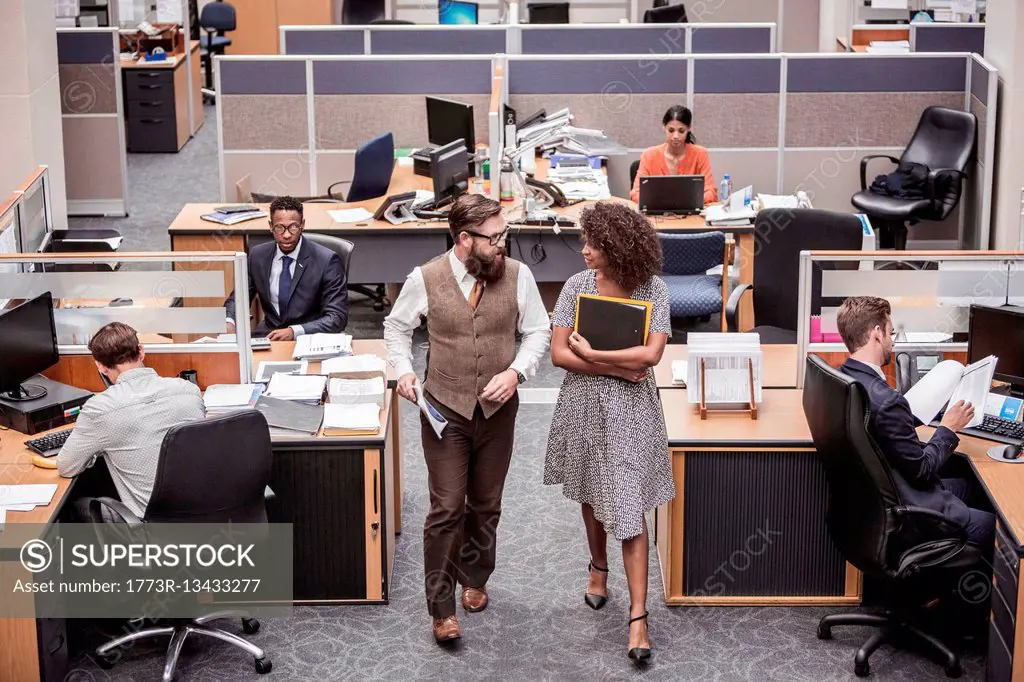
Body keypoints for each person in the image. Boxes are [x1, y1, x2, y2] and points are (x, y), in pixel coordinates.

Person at [383, 194, 551, 645]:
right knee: (446, 508)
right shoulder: (426, 278)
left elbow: (538, 329)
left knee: (485, 504)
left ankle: (475, 577)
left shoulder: (518, 275)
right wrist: (402, 371)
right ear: (464, 240)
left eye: (503, 235)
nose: (502, 245)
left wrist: (516, 372)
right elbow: (397, 327)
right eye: (494, 238)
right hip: (443, 409)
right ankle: (441, 609)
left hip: (497, 412)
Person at [544, 202, 674, 664]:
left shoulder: (651, 289)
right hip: (584, 405)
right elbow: (560, 354)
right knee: (591, 490)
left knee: (628, 502)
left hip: (632, 412)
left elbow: (653, 355)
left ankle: (638, 616)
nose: (584, 251)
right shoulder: (576, 287)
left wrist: (594, 353)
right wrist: (617, 365)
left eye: (594, 245)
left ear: (617, 248)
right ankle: (598, 566)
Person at [836, 296, 995, 549]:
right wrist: (948, 427)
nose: (892, 342)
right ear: (877, 334)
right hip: (911, 509)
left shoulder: (843, 378)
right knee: (998, 527)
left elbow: (882, 431)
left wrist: (908, 418)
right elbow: (922, 471)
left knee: (971, 486)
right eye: (891, 333)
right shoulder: (887, 401)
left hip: (877, 502)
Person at [56, 322, 206, 518]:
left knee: (73, 506)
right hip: (207, 510)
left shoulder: (99, 409)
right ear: (141, 352)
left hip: (153, 522)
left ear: (100, 366)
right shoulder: (189, 391)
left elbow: (67, 467)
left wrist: (97, 449)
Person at [225, 196, 348, 340]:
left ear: (302, 225)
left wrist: (294, 331)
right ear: (271, 226)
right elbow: (238, 298)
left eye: (293, 227)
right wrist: (229, 321)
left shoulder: (327, 260)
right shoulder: (258, 255)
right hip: (269, 335)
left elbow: (337, 317)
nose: (287, 235)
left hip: (309, 336)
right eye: (279, 228)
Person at [629, 105, 718, 206]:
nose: (675, 136)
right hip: (657, 215)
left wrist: (688, 201)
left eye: (681, 131)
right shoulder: (649, 155)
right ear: (664, 127)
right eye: (671, 130)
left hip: (689, 216)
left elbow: (711, 192)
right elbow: (635, 193)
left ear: (689, 129)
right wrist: (663, 203)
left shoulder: (700, 154)